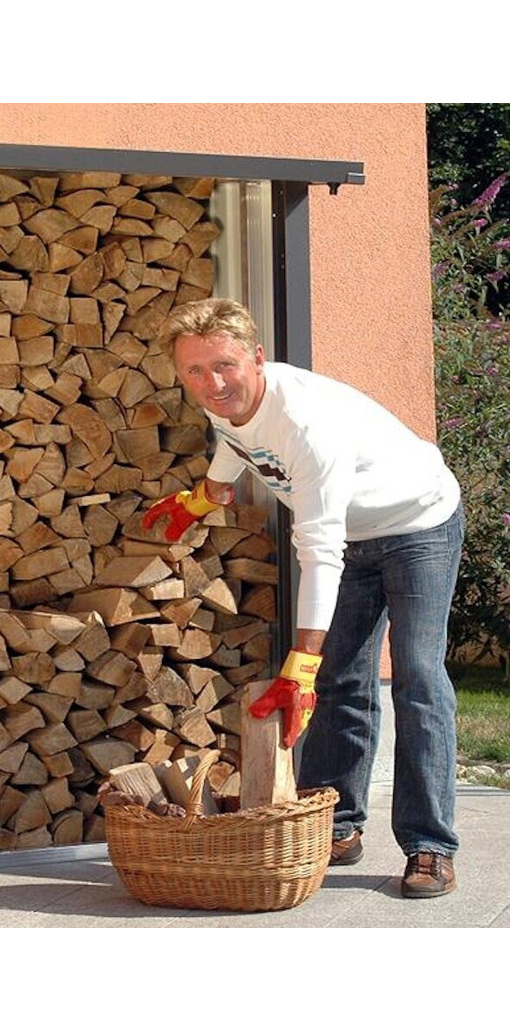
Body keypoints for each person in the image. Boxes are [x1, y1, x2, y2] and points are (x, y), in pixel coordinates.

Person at [142, 297, 464, 899]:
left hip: (417, 525)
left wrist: (301, 661)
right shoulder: (223, 402)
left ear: (257, 358)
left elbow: (319, 548)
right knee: (342, 680)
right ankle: (337, 826)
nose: (213, 383)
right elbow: (235, 441)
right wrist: (205, 496)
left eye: (225, 366)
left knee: (418, 677)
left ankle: (429, 845)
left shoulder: (307, 425)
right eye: (195, 371)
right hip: (347, 535)